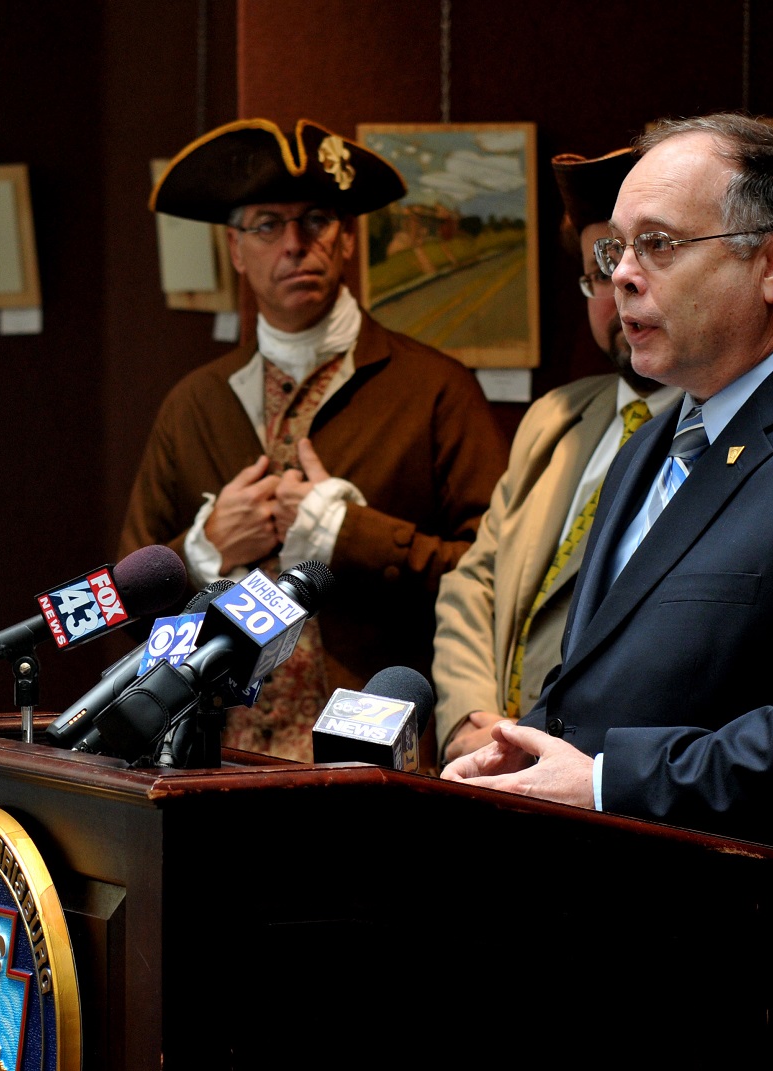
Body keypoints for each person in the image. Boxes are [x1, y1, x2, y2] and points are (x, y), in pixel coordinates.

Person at [442, 115, 773, 1061]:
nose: (621, 277)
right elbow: (603, 677)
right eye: (614, 250)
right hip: (613, 976)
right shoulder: (653, 441)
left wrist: (607, 780)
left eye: (657, 246)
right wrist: (526, 766)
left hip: (770, 996)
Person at [121, 118, 505, 762]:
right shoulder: (195, 402)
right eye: (267, 225)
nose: (295, 243)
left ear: (347, 239)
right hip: (208, 754)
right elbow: (125, 600)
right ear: (236, 251)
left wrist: (346, 536)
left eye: (317, 219)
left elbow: (492, 585)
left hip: (368, 757)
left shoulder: (436, 388)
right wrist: (202, 549)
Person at [432, 148, 683, 762]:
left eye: (645, 255)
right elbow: (476, 581)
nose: (620, 287)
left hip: (606, 784)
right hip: (497, 763)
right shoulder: (554, 418)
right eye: (599, 269)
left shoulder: (713, 431)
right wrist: (471, 719)